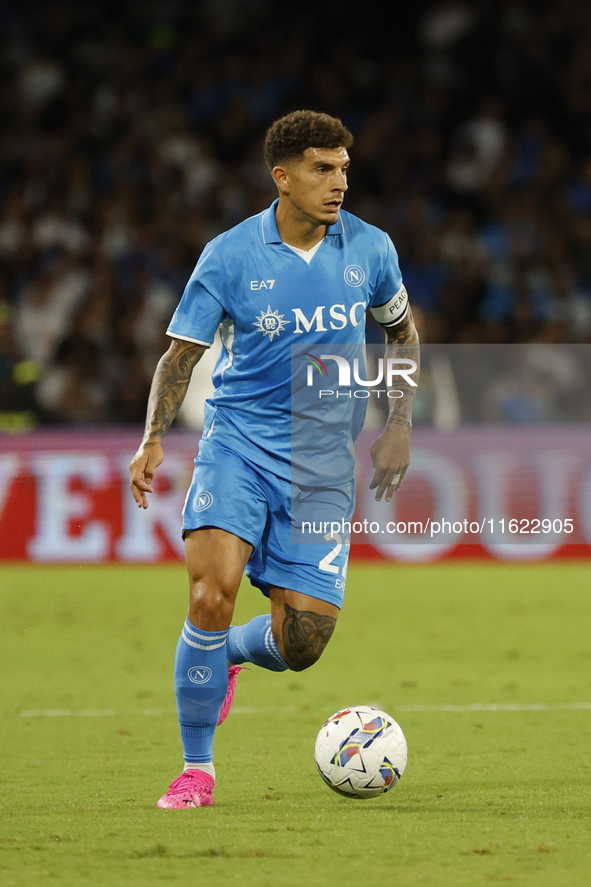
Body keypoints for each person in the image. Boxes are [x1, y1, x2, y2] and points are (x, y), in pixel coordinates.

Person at [129, 110, 420, 808]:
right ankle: (196, 769)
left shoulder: (371, 249)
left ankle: (226, 652)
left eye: (345, 167)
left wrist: (399, 421)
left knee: (304, 641)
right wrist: (152, 437)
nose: (339, 181)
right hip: (238, 446)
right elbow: (181, 355)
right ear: (282, 177)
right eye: (324, 168)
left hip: (322, 465)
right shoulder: (229, 255)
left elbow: (402, 334)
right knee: (209, 593)